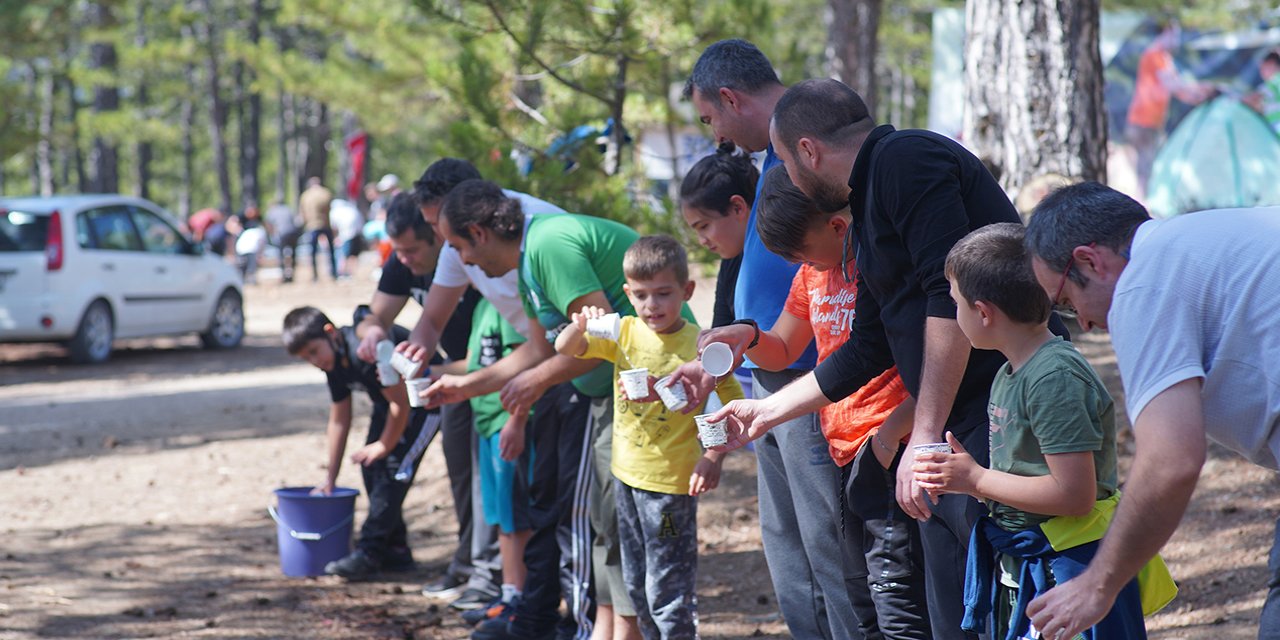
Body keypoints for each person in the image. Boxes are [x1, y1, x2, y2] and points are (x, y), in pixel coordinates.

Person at [700, 78, 1062, 640]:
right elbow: (867, 347)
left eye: (786, 167)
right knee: (955, 615)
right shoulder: (866, 208)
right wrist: (764, 414)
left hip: (1004, 405)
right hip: (951, 426)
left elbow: (950, 290)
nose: (788, 181)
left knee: (1018, 602)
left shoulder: (904, 159)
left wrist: (922, 432)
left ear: (809, 152)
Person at [428, 180, 689, 640]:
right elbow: (534, 351)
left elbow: (600, 340)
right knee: (604, 524)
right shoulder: (528, 259)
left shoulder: (548, 245)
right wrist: (466, 387)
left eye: (457, 246)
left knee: (609, 524)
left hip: (637, 402)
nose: (462, 260)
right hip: (608, 400)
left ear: (478, 232)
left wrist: (538, 380)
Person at [1020, 182, 1280, 640]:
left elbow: (1171, 461)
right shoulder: (1201, 241)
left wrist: (1098, 586)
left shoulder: (1144, 282)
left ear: (1088, 260)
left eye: (1064, 301)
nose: (1081, 322)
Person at [671, 39, 855, 640]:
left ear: (730, 98)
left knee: (827, 539)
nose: (716, 135)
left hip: (817, 373)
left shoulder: (806, 147)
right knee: (788, 539)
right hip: (771, 364)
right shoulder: (775, 159)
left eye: (710, 117)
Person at [707, 165, 929, 638]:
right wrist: (746, 334)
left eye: (801, 250)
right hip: (843, 449)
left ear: (837, 226)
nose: (800, 260)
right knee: (861, 595)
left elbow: (925, 361)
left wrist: (892, 435)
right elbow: (784, 347)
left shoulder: (878, 267)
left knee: (897, 599)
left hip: (891, 444)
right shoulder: (811, 274)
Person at [914, 223, 1148, 639]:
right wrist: (968, 480)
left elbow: (1074, 496)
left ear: (983, 312)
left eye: (956, 304)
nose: (954, 315)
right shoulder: (1011, 371)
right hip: (1031, 565)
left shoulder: (1053, 378)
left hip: (1071, 572)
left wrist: (977, 479)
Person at [364, 158, 565, 615]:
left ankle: (546, 604)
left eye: (437, 224)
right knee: (514, 499)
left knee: (548, 497)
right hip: (536, 359)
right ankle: (522, 600)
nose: (440, 239)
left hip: (569, 363)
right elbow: (431, 318)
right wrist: (417, 350)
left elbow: (562, 334)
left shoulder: (537, 231)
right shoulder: (459, 245)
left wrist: (473, 381)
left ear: (472, 214)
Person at [554, 235, 742, 639]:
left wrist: (713, 457)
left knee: (668, 586)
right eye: (640, 295)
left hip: (671, 489)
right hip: (626, 479)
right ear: (626, 293)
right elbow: (566, 348)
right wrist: (579, 324)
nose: (651, 305)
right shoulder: (623, 332)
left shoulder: (701, 343)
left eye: (662, 294)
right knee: (636, 583)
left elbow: (732, 403)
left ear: (686, 291)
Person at [351, 193, 491, 608]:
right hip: (451, 379)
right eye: (399, 252)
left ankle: (492, 571)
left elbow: (496, 353)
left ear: (436, 236)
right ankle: (470, 563)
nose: (405, 260)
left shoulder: (468, 259)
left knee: (490, 479)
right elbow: (373, 315)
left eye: (412, 250)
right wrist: (373, 331)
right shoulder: (402, 261)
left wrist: (439, 374)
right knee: (462, 473)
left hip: (490, 371)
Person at [281, 306, 428, 578]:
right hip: (390, 406)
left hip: (423, 401)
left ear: (330, 333)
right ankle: (396, 550)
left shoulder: (362, 351)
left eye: (314, 351)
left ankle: (369, 551)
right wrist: (330, 478)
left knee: (393, 468)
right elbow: (339, 419)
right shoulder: (333, 363)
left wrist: (384, 446)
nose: (314, 361)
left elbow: (402, 403)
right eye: (306, 358)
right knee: (370, 466)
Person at [458, 299, 534, 630]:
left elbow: (527, 363)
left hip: (508, 425)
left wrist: (516, 421)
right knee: (501, 517)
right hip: (486, 423)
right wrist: (432, 372)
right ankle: (507, 593)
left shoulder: (508, 303)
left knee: (517, 518)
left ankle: (523, 597)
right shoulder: (482, 306)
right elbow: (476, 366)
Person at [678, 143, 758, 399]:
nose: (701, 239)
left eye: (704, 226)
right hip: (741, 383)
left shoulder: (783, 257)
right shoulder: (731, 259)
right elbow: (720, 326)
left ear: (738, 208)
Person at [1125, 20, 1213, 199]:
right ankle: (1144, 208)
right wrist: (1198, 92)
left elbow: (1179, 89)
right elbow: (1173, 85)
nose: (1177, 40)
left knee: (1150, 167)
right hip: (1143, 121)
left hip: (1153, 122)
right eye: (1174, 34)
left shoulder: (1164, 57)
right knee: (1146, 169)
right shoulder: (1155, 54)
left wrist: (1198, 94)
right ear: (1164, 33)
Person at [299, 177, 337, 281]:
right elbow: (330, 209)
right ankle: (333, 272)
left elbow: (302, 212)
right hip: (325, 224)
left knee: (313, 252)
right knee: (331, 251)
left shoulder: (305, 196)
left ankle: (315, 275)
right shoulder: (326, 193)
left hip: (312, 226)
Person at [265, 199, 302, 283]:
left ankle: (284, 275)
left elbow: (268, 224)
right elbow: (296, 221)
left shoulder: (272, 211)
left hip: (282, 234)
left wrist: (271, 236)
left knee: (281, 255)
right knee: (293, 254)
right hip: (293, 232)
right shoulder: (289, 209)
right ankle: (292, 274)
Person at [1245, 50, 1280, 135]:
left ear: (1271, 64)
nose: (1261, 73)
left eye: (1262, 68)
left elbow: (1254, 98)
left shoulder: (1275, 81)